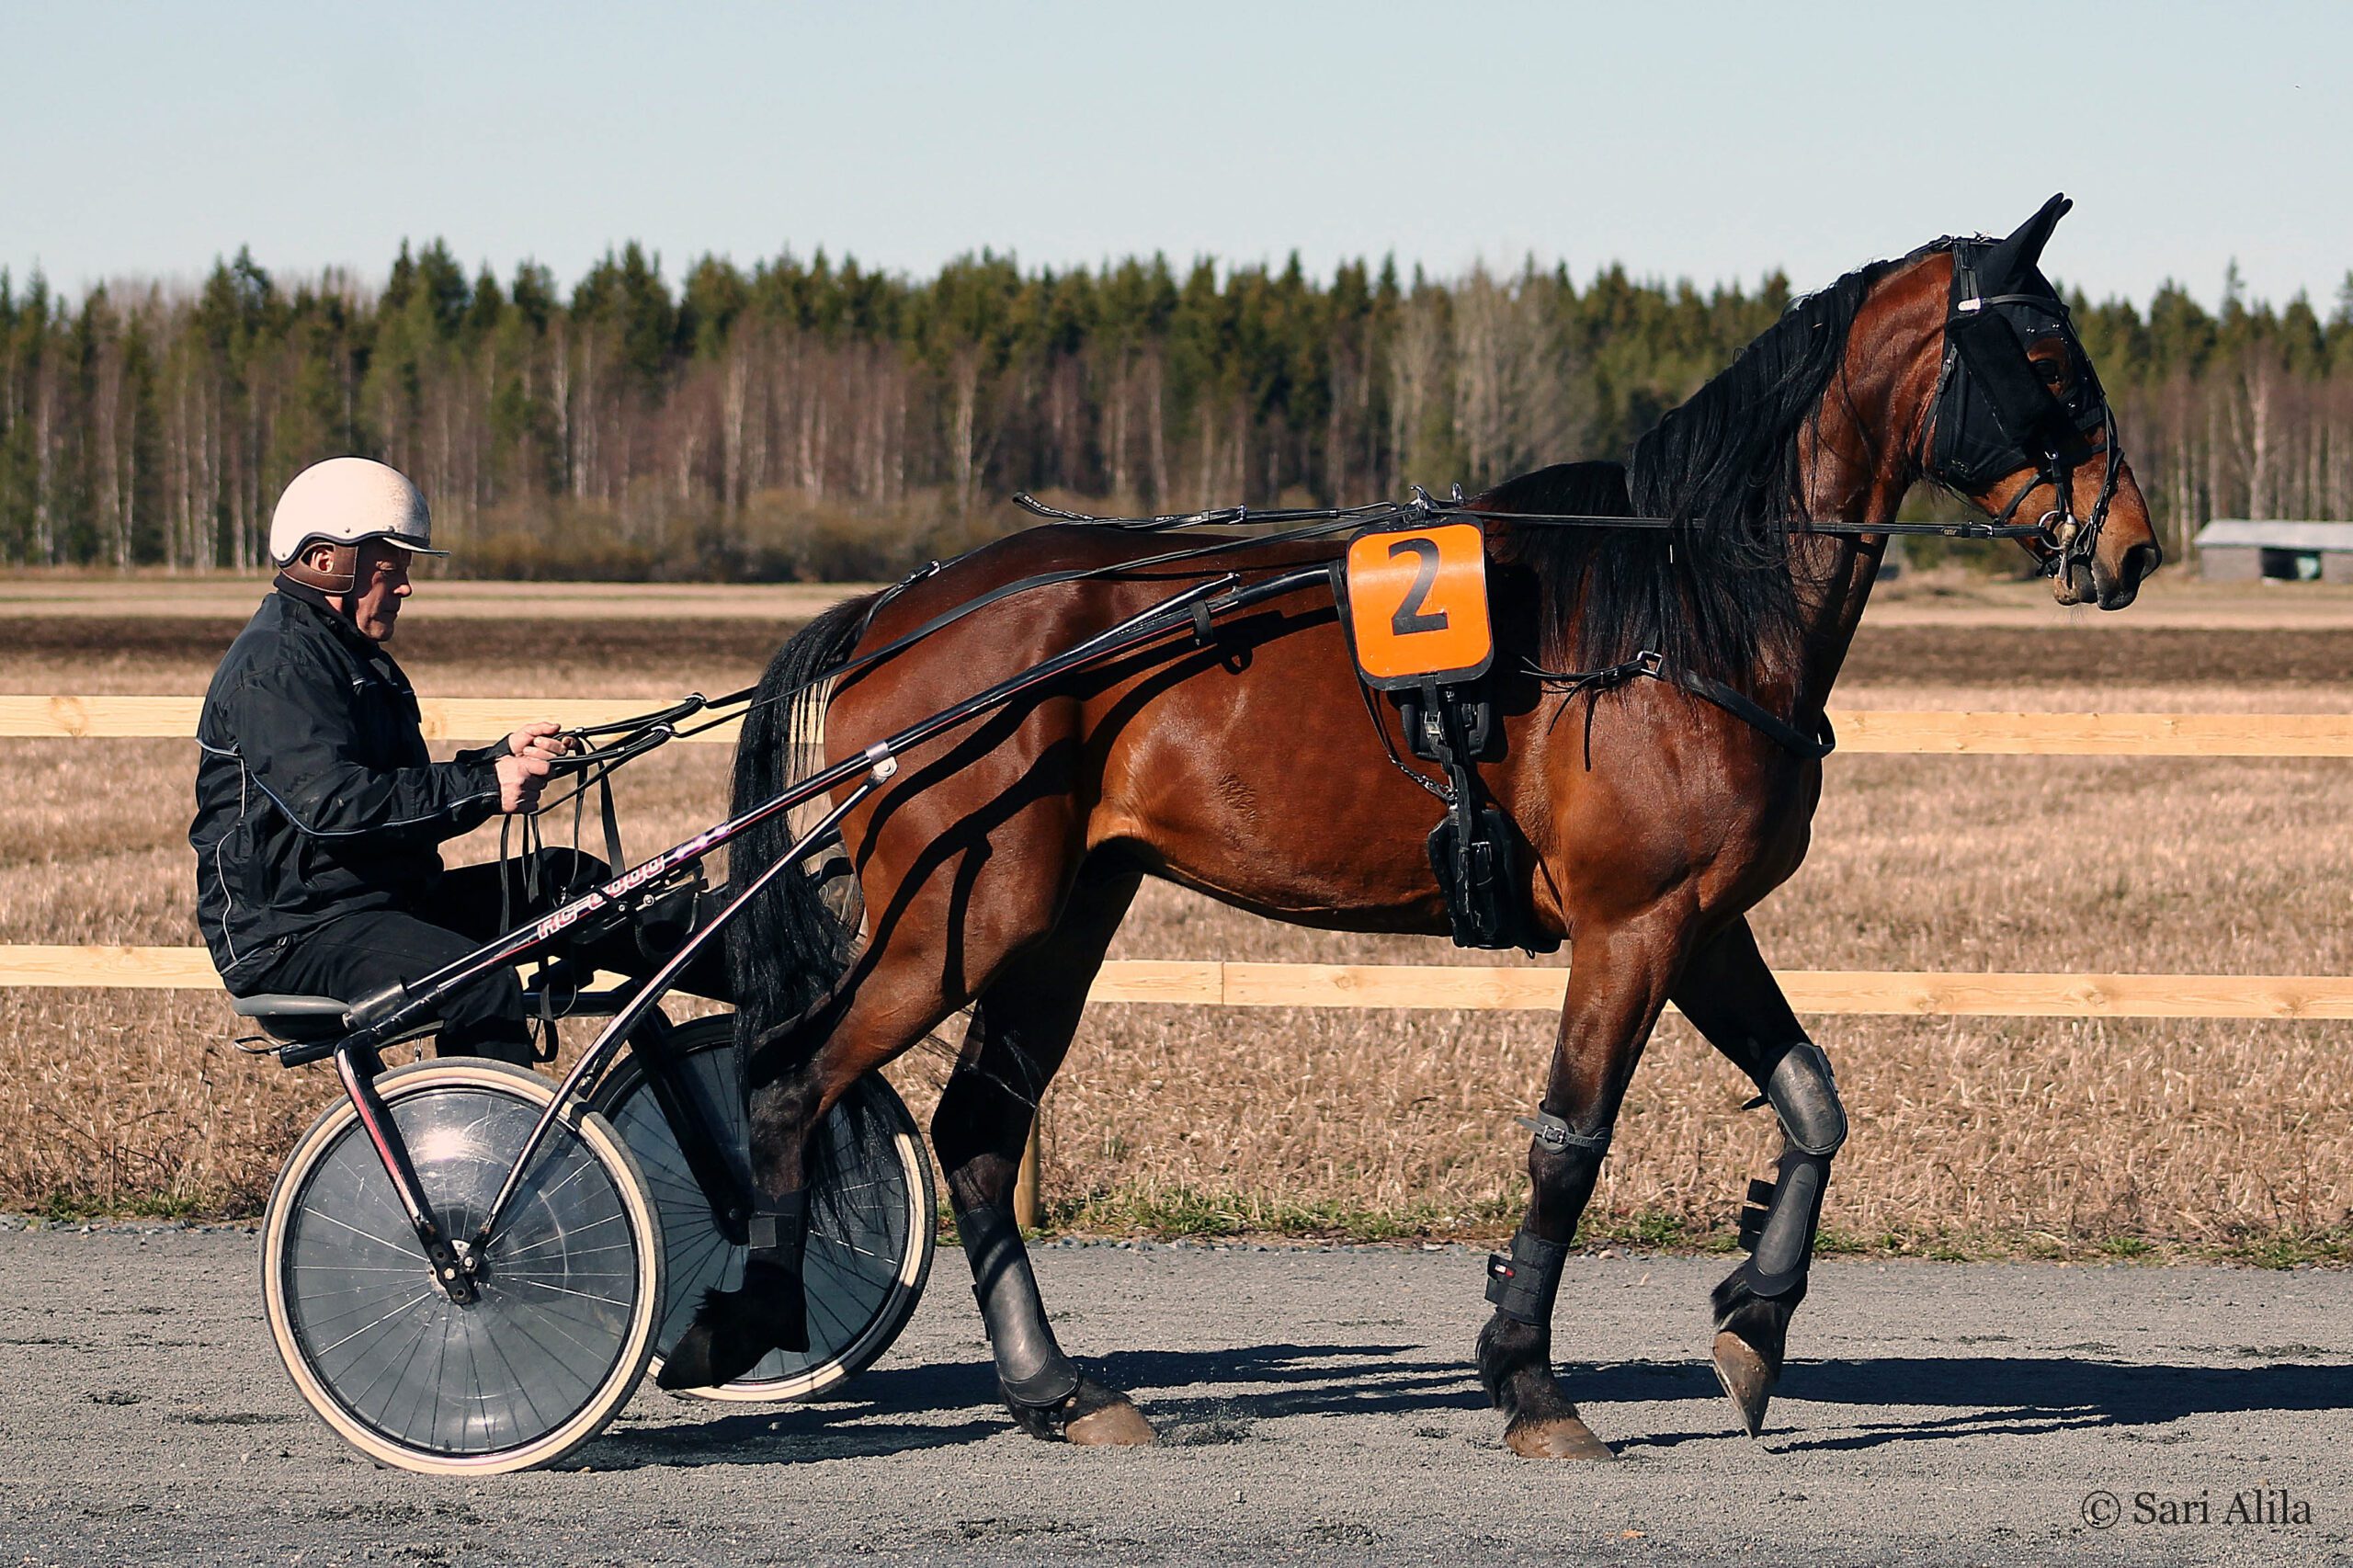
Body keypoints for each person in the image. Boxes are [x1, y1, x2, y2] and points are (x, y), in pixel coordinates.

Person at [192, 456, 722, 1062]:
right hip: (297, 931)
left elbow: (390, 785)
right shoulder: (279, 666)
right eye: (390, 569)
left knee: (568, 881)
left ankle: (773, 990)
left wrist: (496, 760)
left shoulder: (345, 654)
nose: (405, 587)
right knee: (478, 981)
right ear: (325, 561)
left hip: (382, 903)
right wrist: (487, 787)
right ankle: (490, 1127)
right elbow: (334, 807)